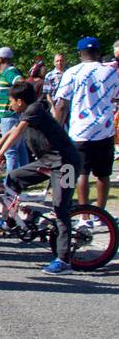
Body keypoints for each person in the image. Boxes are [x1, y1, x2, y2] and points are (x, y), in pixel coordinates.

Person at [0, 80, 83, 274]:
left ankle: (64, 261)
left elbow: (18, 132)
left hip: (66, 164)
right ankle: (13, 222)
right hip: (47, 161)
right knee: (14, 177)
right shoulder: (26, 112)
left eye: (11, 101)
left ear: (20, 101)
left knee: (60, 207)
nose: (10, 105)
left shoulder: (34, 109)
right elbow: (10, 133)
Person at [52, 36, 117, 210]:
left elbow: (62, 105)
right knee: (103, 174)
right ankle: (101, 213)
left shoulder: (72, 72)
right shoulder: (111, 72)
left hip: (80, 130)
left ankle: (84, 214)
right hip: (105, 129)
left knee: (82, 173)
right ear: (98, 52)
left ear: (80, 53)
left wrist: (56, 131)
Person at [0, 47, 26, 171]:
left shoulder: (10, 72)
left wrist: (14, 100)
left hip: (10, 115)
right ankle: (24, 175)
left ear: (1, 59)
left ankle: (11, 180)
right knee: (20, 148)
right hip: (9, 114)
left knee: (10, 150)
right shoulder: (6, 73)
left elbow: (20, 83)